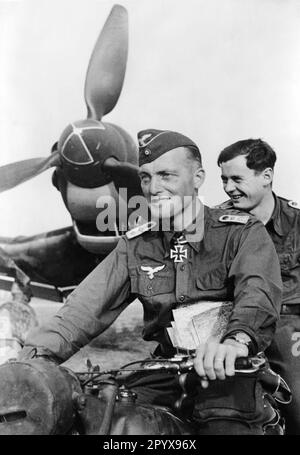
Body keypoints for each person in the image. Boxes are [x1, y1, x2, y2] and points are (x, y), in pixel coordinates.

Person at [20, 129, 282, 435]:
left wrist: (236, 342)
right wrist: (30, 359)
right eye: (145, 177)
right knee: (105, 421)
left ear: (197, 178)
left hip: (229, 369)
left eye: (166, 175)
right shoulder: (135, 244)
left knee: (225, 424)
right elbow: (82, 310)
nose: (153, 188)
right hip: (164, 373)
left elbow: (258, 295)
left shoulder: (241, 233)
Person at [217, 138, 300, 435]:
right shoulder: (216, 223)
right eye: (224, 179)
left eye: (237, 179)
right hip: (229, 323)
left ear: (266, 176)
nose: (228, 188)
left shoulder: (296, 222)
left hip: (285, 325)